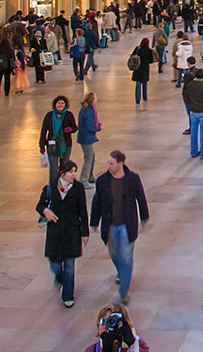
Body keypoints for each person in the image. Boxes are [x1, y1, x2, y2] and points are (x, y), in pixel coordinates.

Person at [89, 151, 150, 306]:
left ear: (121, 163)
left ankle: (123, 291)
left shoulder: (132, 179)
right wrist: (94, 220)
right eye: (108, 163)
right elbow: (97, 201)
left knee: (126, 257)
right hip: (110, 224)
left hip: (126, 224)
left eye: (111, 163)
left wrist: (144, 216)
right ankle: (121, 271)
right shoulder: (102, 180)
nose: (109, 166)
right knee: (114, 253)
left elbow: (140, 197)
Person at [37, 159, 89, 308]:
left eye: (74, 172)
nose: (73, 175)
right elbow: (39, 205)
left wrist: (84, 232)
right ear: (62, 173)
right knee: (55, 265)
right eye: (70, 172)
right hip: (55, 232)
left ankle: (68, 295)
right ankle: (59, 278)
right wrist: (46, 211)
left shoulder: (78, 188)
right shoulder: (50, 188)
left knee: (70, 266)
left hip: (72, 232)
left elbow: (83, 211)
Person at [39, 95, 78, 194]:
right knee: (53, 168)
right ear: (55, 104)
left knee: (65, 166)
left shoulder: (69, 115)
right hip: (52, 145)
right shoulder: (49, 116)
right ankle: (53, 187)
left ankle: (64, 183)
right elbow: (44, 130)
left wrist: (70, 129)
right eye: (59, 103)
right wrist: (42, 145)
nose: (60, 105)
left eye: (62, 103)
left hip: (66, 145)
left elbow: (75, 127)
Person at [84, 304, 151, 352]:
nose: (105, 326)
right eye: (102, 321)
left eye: (111, 322)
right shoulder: (92, 350)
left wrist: (131, 344)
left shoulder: (140, 345)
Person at [183, 67, 203, 158]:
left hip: (193, 111)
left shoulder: (190, 85)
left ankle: (193, 151)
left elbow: (186, 97)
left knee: (193, 131)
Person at [77, 92, 101, 187]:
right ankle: (84, 180)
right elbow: (91, 126)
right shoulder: (90, 111)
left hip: (84, 136)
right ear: (93, 99)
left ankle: (90, 177)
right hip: (86, 137)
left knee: (92, 158)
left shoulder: (84, 109)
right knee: (88, 158)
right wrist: (99, 127)